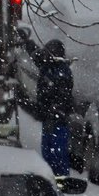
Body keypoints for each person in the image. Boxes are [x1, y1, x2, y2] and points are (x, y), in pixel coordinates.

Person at [22, 32, 76, 177]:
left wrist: (53, 110)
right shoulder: (48, 66)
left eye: (47, 53)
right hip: (49, 119)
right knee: (48, 152)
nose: (43, 56)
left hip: (58, 120)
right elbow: (35, 55)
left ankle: (60, 182)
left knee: (57, 154)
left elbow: (63, 98)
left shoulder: (61, 72)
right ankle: (51, 180)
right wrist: (27, 41)